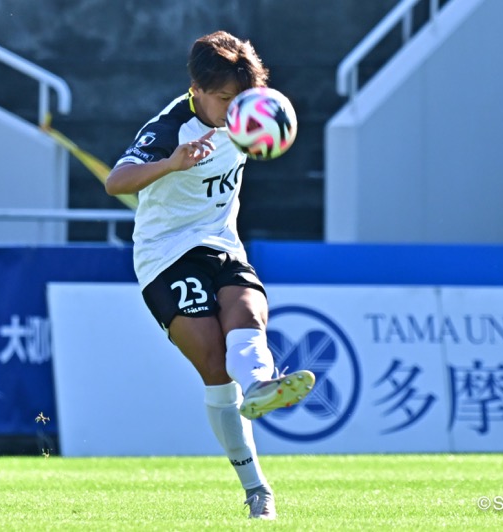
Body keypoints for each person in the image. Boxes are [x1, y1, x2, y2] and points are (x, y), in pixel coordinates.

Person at [104, 30, 315, 520]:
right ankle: (255, 486)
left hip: (220, 241)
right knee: (215, 366)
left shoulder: (246, 114)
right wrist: (172, 164)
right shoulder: (169, 128)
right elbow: (116, 182)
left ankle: (263, 382)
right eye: (224, 98)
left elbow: (263, 119)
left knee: (247, 312)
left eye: (241, 98)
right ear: (197, 89)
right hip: (165, 256)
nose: (234, 108)